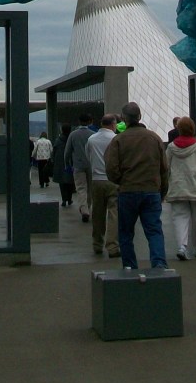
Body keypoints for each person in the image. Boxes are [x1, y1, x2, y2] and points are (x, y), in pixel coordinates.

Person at [105, 101, 169, 269]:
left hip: (128, 190)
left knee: (126, 232)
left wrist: (121, 180)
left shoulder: (118, 140)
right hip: (151, 190)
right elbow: (164, 168)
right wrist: (162, 190)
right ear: (139, 116)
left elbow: (111, 168)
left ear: (123, 118)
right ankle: (159, 264)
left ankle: (130, 267)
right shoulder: (154, 138)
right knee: (154, 230)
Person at [166, 117, 196, 260]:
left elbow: (165, 167)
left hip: (177, 187)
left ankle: (182, 246)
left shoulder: (171, 147)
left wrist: (164, 186)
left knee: (180, 217)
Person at [85, 114, 120, 257]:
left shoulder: (91, 139)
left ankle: (97, 243)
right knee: (114, 213)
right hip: (113, 180)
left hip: (97, 179)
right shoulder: (116, 139)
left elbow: (88, 157)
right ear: (113, 124)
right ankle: (112, 246)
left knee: (97, 213)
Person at [66, 113, 95, 221]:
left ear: (79, 121)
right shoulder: (93, 134)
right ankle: (88, 206)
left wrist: (67, 164)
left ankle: (84, 209)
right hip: (91, 165)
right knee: (90, 188)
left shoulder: (73, 135)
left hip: (78, 165)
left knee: (81, 188)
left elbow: (67, 151)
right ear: (89, 122)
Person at [51, 124, 75, 207]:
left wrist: (53, 161)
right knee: (70, 182)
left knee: (62, 183)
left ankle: (64, 199)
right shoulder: (72, 139)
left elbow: (54, 152)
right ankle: (69, 199)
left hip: (60, 164)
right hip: (70, 163)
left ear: (62, 130)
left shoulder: (58, 140)